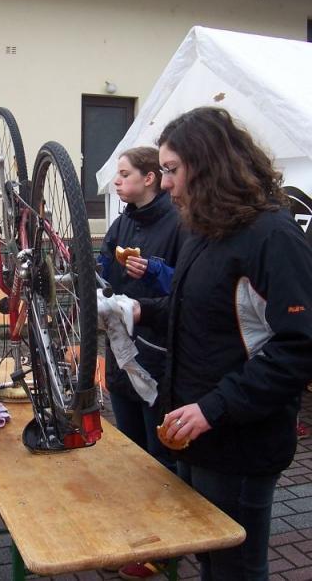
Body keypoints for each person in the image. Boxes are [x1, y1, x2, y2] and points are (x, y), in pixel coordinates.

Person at [134, 107, 312, 581]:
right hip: (196, 430)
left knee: (236, 569)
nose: (165, 182)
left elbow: (298, 346)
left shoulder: (273, 236)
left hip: (240, 440)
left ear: (208, 164)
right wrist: (138, 311)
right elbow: (191, 311)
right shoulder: (202, 228)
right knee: (209, 560)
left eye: (172, 170)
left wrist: (214, 408)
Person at [98, 147, 187, 580]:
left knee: (159, 458)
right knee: (131, 456)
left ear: (151, 178)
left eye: (124, 173)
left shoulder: (178, 224)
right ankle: (138, 534)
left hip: (157, 359)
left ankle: (165, 547)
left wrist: (144, 290)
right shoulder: (122, 222)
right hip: (119, 359)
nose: (116, 182)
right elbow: (99, 272)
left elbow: (183, 294)